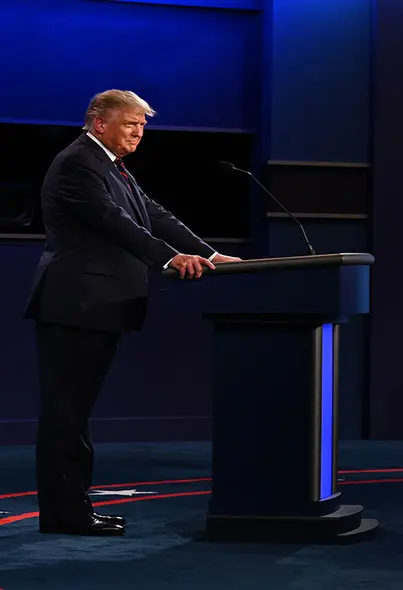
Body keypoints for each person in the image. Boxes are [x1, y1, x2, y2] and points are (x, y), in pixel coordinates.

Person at [22, 89, 242, 536]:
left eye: (143, 125)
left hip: (97, 305)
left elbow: (154, 215)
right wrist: (169, 259)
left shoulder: (110, 165)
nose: (139, 133)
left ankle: (72, 509)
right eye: (131, 124)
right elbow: (113, 222)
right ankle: (66, 513)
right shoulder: (79, 162)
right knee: (66, 414)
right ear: (100, 122)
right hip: (77, 303)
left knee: (76, 413)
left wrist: (210, 254)